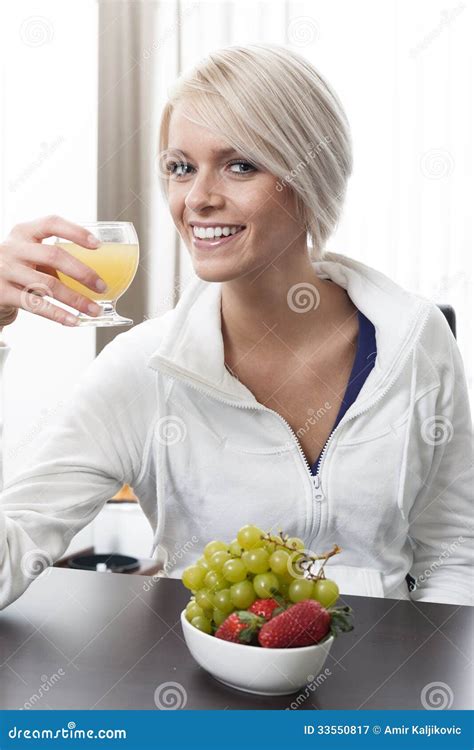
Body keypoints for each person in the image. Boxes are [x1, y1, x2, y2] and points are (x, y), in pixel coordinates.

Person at [0, 43, 472, 611]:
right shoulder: (143, 368)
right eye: (180, 168)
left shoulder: (414, 339)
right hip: (202, 682)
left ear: (311, 178)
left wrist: (428, 684)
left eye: (240, 165)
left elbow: (453, 553)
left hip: (383, 687)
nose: (197, 199)